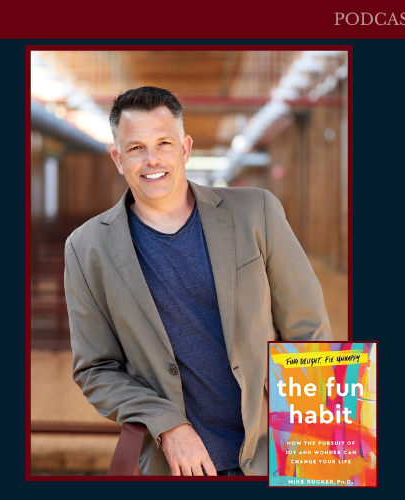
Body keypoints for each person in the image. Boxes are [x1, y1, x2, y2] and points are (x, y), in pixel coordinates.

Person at [64, 86, 332, 477]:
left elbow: (308, 330)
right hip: (179, 467)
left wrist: (319, 453)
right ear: (118, 158)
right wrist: (166, 422)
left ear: (185, 148)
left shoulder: (256, 212)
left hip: (274, 453)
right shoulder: (86, 247)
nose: (152, 159)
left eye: (164, 143)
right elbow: (95, 368)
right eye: (136, 148)